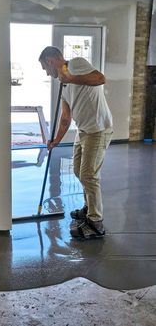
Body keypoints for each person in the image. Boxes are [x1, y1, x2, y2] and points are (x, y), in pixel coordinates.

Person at [39, 46, 113, 240]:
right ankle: (89, 206)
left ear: (51, 61)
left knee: (89, 175)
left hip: (98, 129)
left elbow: (100, 79)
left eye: (46, 68)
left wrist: (71, 78)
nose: (47, 73)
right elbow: (65, 117)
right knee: (78, 171)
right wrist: (55, 141)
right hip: (83, 131)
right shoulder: (63, 86)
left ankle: (95, 222)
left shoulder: (76, 64)